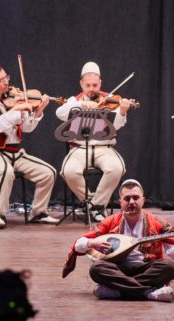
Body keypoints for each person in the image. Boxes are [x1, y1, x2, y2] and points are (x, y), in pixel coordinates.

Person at [62, 179, 174, 303]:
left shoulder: (156, 222)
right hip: (119, 270)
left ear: (143, 200)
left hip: (146, 269)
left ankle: (118, 291)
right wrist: (92, 243)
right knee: (97, 269)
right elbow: (79, 244)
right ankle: (147, 293)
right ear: (120, 202)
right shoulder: (111, 221)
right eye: (127, 198)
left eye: (135, 198)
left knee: (169, 267)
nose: (131, 202)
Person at [0, 61, 59, 229]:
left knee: (48, 172)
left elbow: (27, 128)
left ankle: (39, 212)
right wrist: (16, 110)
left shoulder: (14, 100)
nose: (6, 82)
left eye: (6, 77)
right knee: (6, 172)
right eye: (0, 80)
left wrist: (38, 111)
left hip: (16, 153)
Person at [56, 61, 131, 222]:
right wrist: (81, 103)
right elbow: (59, 113)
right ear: (81, 84)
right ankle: (94, 204)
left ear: (100, 84)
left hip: (105, 148)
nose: (91, 89)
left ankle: (95, 205)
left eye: (95, 85)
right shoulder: (73, 100)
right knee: (69, 171)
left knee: (116, 168)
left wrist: (123, 111)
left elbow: (116, 125)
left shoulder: (111, 100)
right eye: (88, 85)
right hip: (79, 148)